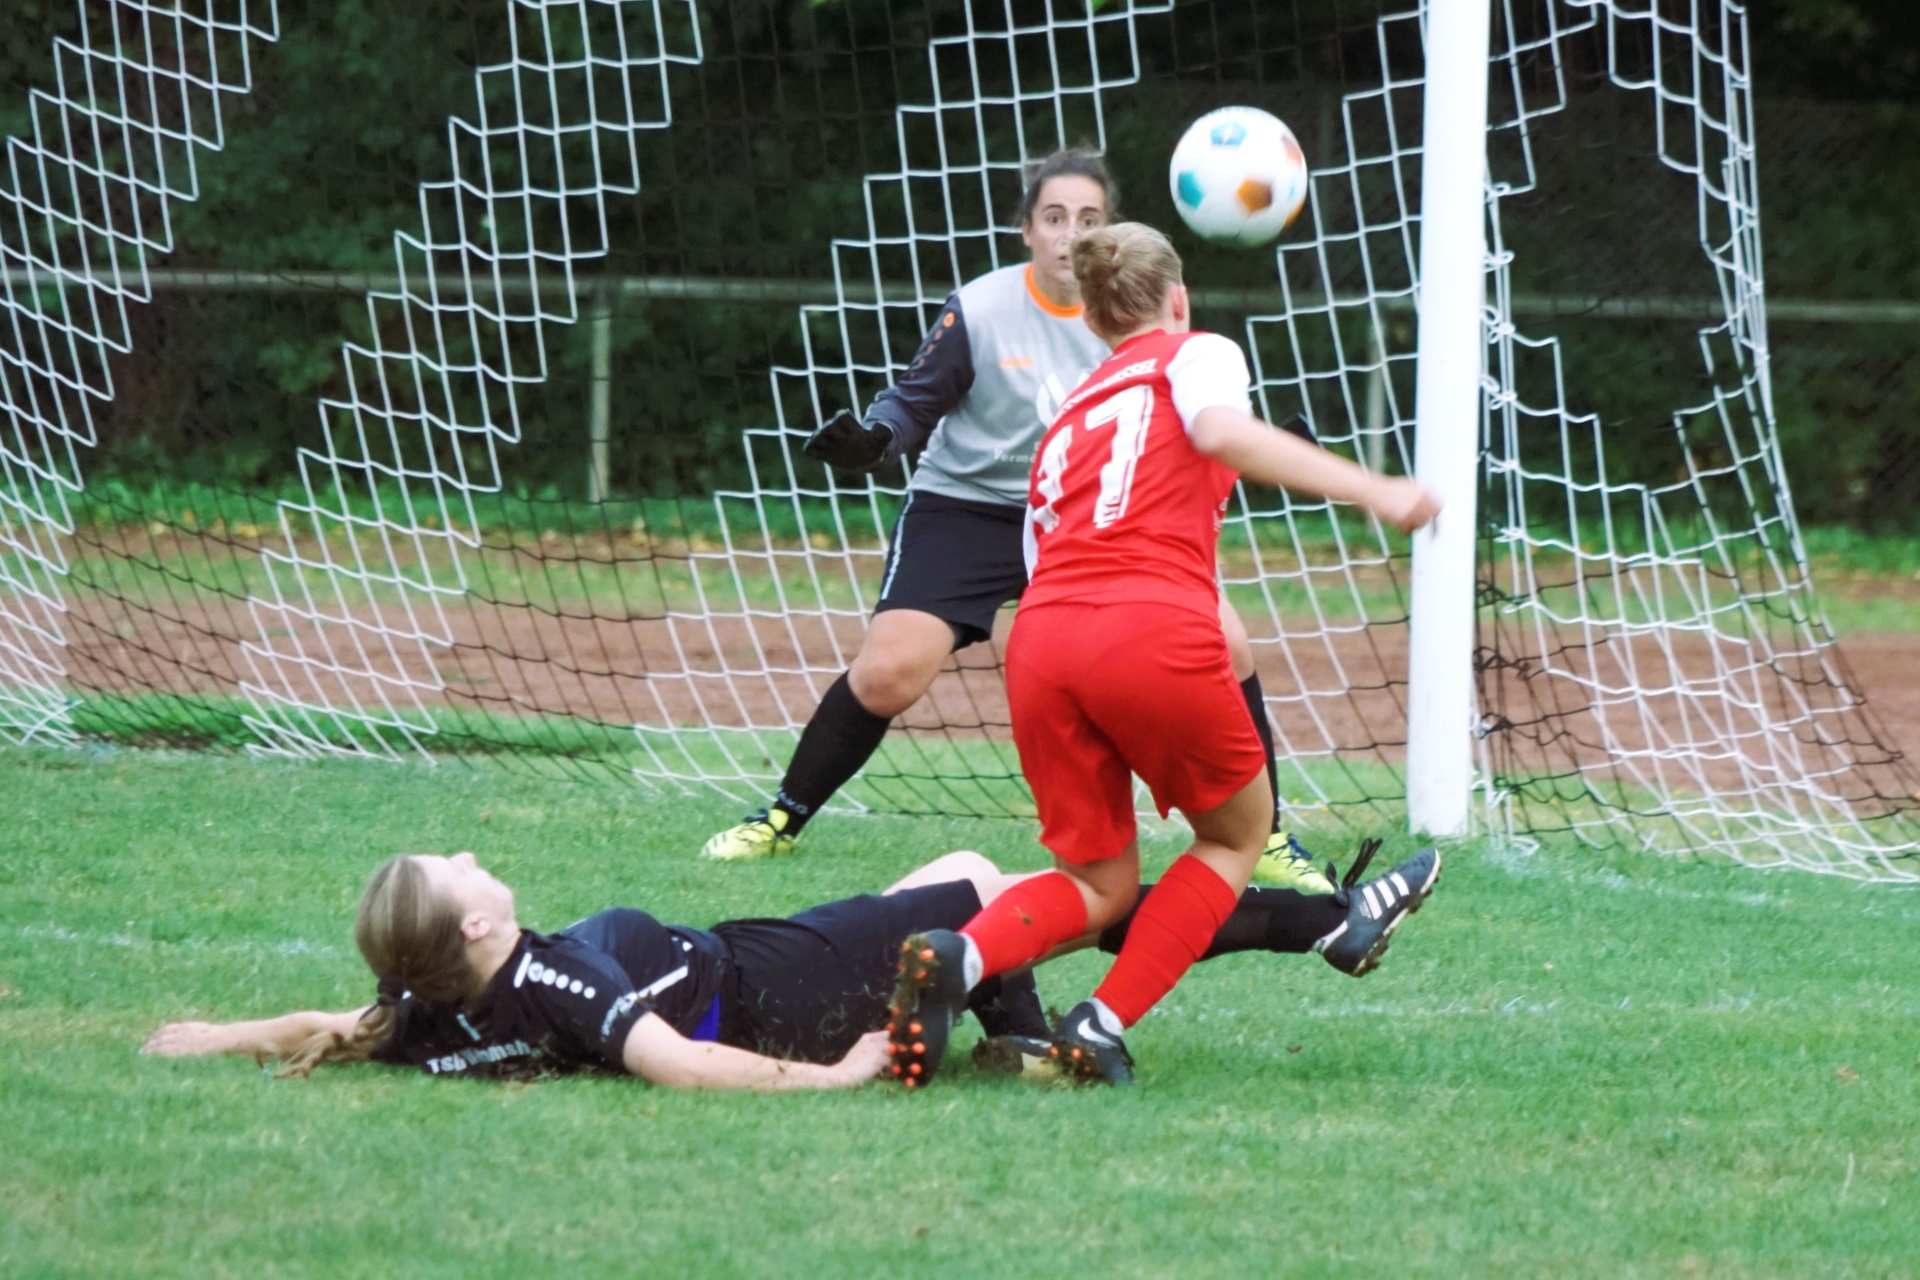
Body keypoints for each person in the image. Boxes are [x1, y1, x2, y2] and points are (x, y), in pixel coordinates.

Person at [884, 223, 1444, 1088]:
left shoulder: (1069, 412)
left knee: (1097, 882)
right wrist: (1375, 488)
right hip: (1143, 624)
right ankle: (1099, 1023)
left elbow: (1047, 551)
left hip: (1041, 639)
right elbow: (1219, 431)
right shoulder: (1197, 352)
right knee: (1236, 836)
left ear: (1092, 319)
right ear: (1177, 298)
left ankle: (960, 956)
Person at [701, 147, 1329, 893]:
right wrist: (876, 440)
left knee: (1230, 644)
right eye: (1054, 217)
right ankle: (780, 819)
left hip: (1088, 517)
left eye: (1089, 219)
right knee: (890, 673)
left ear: (1111, 232)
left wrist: (1269, 450)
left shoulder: (1135, 318)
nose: (1070, 234)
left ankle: (1267, 836)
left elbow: (1186, 431)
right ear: (1026, 228)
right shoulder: (982, 308)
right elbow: (912, 403)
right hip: (966, 508)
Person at [141, 839, 1433, 1090]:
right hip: (776, 993)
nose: (474, 856)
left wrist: (222, 1035)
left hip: (753, 962)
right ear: (471, 928)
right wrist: (835, 1074)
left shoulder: (431, 1001)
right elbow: (673, 1059)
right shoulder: (557, 981)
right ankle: (1311, 923)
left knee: (966, 872)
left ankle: (1007, 1024)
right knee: (1009, 891)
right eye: (455, 869)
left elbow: (340, 1018)